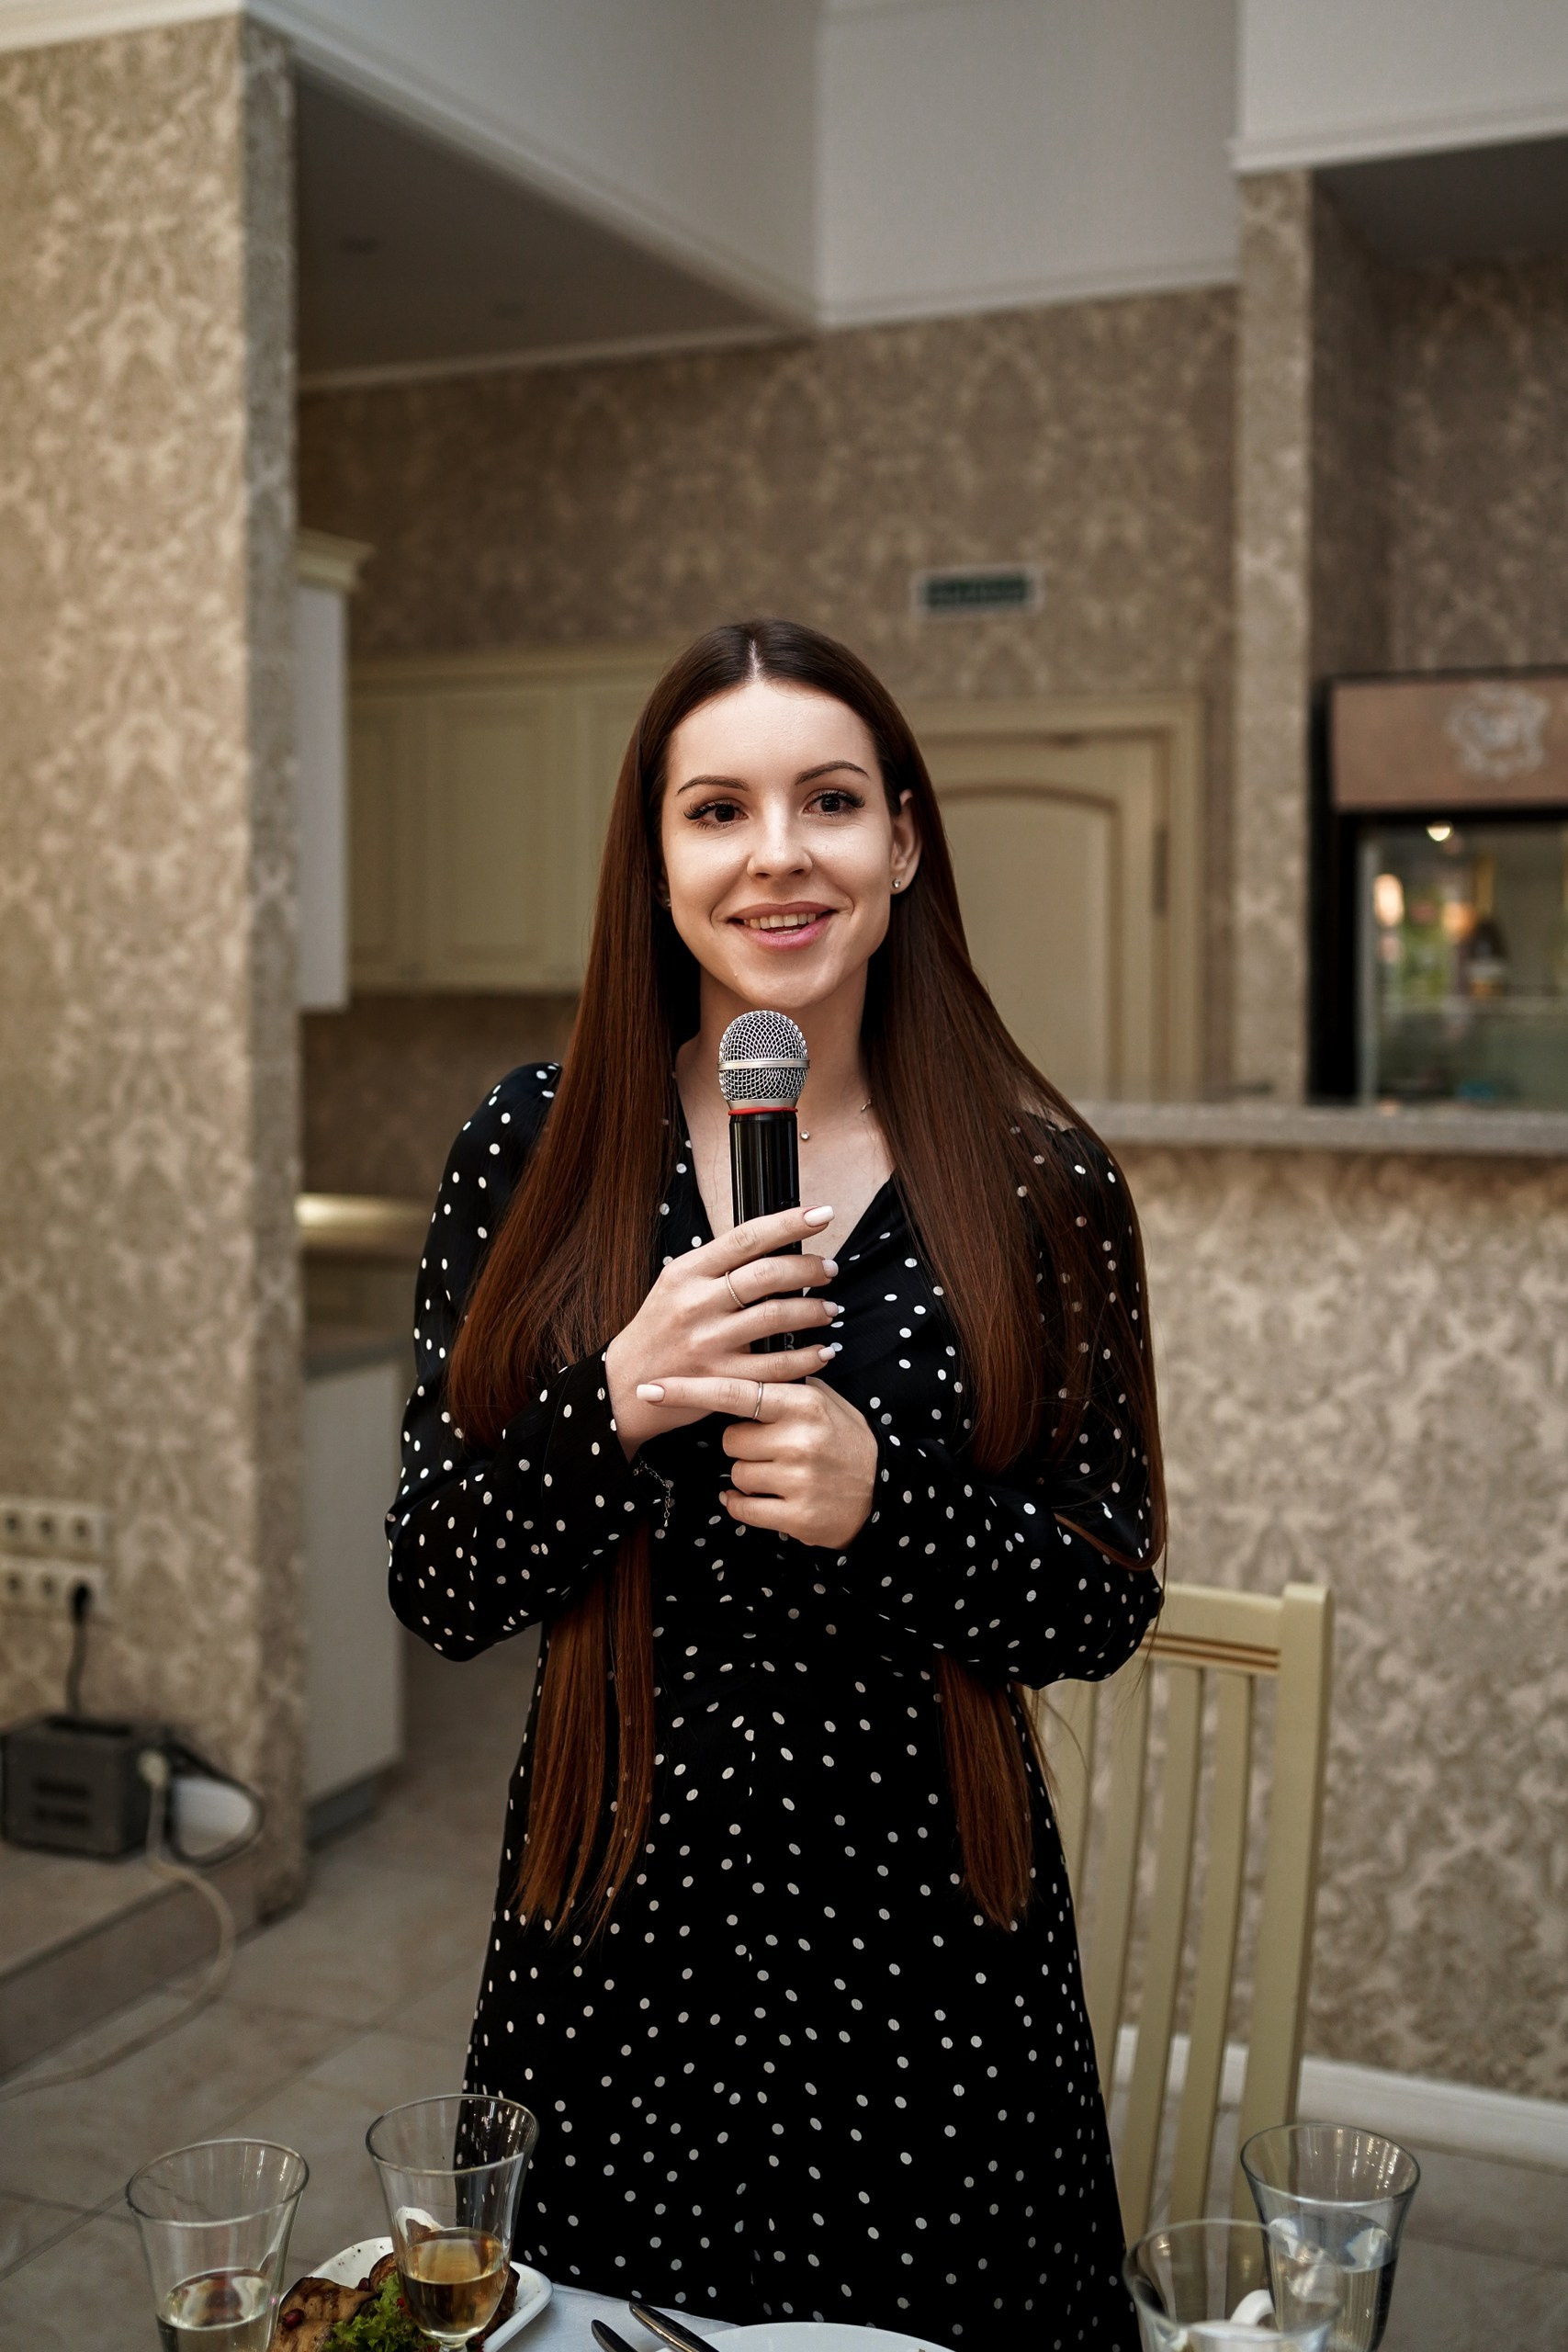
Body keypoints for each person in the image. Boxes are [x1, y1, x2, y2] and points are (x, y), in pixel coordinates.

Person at [388, 617, 1165, 2343]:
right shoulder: (533, 1147)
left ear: (904, 840)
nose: (777, 856)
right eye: (717, 811)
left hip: (933, 1951)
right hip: (613, 1932)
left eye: (827, 800)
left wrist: (890, 1508)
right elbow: (435, 1580)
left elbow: (1107, 1601)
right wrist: (620, 1399)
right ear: (656, 859)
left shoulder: (1043, 1183)